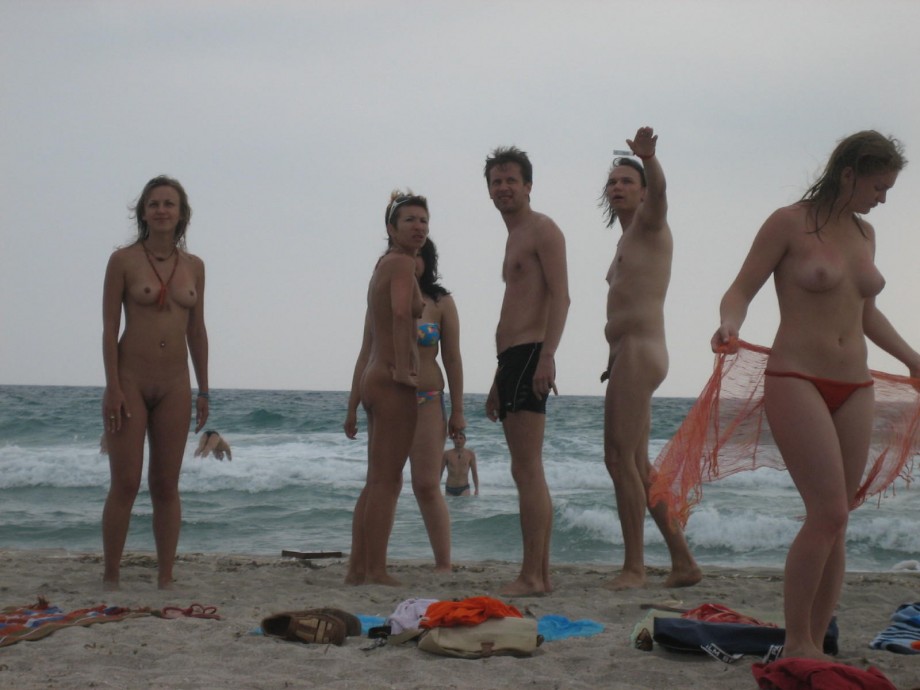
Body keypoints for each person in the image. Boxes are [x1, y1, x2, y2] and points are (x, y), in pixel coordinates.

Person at [712, 131, 920, 659]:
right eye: (879, 185)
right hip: (796, 378)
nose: (884, 198)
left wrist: (913, 359)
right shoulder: (789, 222)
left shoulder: (866, 233)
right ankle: (796, 641)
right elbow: (741, 288)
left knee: (840, 518)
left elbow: (865, 313)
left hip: (857, 385)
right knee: (825, 511)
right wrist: (729, 324)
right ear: (848, 173)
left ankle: (816, 637)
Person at [600, 127, 702, 591]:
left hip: (642, 349)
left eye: (628, 180)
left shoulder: (650, 223)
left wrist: (650, 159)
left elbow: (661, 193)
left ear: (641, 193)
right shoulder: (624, 241)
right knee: (637, 464)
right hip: (627, 352)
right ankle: (682, 562)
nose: (618, 186)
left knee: (618, 458)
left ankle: (635, 567)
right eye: (613, 181)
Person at [101, 175, 209, 590]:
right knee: (125, 483)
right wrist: (112, 386)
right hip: (130, 380)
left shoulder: (195, 266)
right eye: (154, 203)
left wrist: (204, 389)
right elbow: (110, 327)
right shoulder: (123, 261)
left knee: (166, 484)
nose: (162, 210)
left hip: (176, 383)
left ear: (181, 214)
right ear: (143, 212)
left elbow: (197, 330)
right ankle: (111, 574)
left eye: (169, 204)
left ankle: (166, 575)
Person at [484, 146, 570, 596]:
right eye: (496, 182)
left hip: (531, 353)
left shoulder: (542, 230)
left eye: (511, 180)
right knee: (524, 470)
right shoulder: (514, 236)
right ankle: (540, 574)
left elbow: (562, 297)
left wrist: (547, 355)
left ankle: (534, 575)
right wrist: (499, 377)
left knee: (528, 469)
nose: (504, 188)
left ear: (528, 185)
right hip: (513, 360)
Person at [343, 190, 428, 586]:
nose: (418, 226)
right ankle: (375, 568)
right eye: (409, 220)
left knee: (375, 478)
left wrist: (353, 400)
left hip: (371, 375)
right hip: (389, 378)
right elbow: (397, 313)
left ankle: (358, 568)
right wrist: (401, 369)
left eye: (423, 220)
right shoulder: (400, 264)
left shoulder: (384, 264)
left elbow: (367, 337)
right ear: (392, 228)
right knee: (388, 480)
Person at [406, 237, 466, 571]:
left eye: (419, 256)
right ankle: (372, 563)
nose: (412, 261)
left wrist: (457, 410)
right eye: (407, 254)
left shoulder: (440, 302)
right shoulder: (385, 295)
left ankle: (443, 564)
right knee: (383, 482)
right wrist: (355, 401)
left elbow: (453, 359)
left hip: (428, 399)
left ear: (427, 261)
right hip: (390, 400)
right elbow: (368, 350)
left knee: (427, 484)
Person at [442, 430, 479, 497]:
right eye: (456, 438)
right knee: (449, 507)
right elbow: (440, 472)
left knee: (465, 507)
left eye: (461, 438)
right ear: (453, 440)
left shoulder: (470, 454)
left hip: (464, 488)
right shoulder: (446, 454)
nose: (458, 440)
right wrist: (436, 488)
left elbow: (474, 473)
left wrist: (476, 489)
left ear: (465, 440)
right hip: (449, 488)